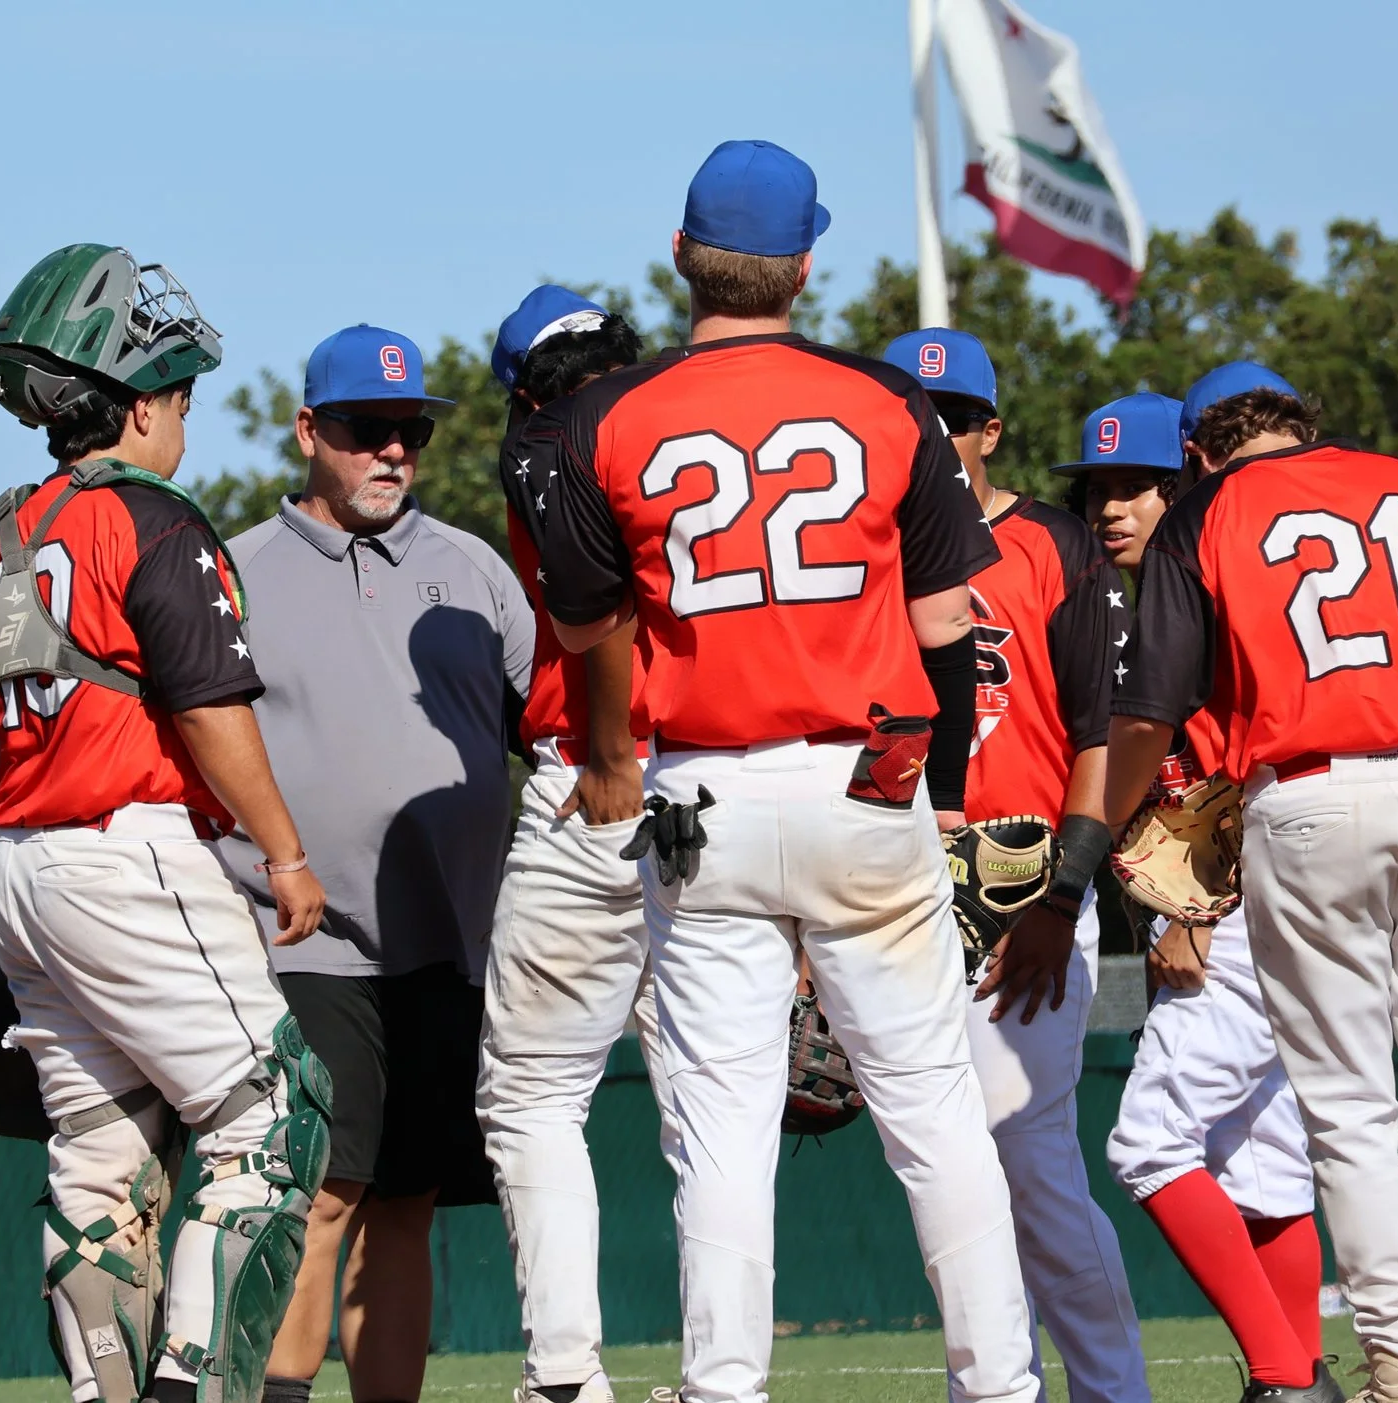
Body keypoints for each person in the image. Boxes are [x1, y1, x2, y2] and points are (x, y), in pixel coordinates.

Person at [538, 139, 1040, 1403]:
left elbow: (591, 635)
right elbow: (947, 636)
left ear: (679, 257)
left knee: (720, 1129)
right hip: (861, 782)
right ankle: (1001, 1386)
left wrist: (610, 753)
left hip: (698, 788)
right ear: (805, 265)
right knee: (934, 1109)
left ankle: (722, 1387)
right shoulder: (885, 403)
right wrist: (947, 799)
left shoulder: (609, 416)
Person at [1104, 361, 1398, 1403]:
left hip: (1308, 799)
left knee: (1353, 1110)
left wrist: (1102, 827)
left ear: (1195, 452)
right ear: (1303, 422)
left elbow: (1150, 711)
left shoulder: (1203, 516)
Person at [0, 244, 330, 1403]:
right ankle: (191, 1388)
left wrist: (12, 931)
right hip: (126, 846)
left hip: (21, 862)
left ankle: (104, 1390)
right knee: (275, 1117)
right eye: (175, 399)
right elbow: (208, 708)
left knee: (102, 1156)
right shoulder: (151, 518)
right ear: (129, 405)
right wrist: (285, 849)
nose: (182, 422)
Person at [218, 324, 535, 1403]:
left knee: (409, 1194)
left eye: (410, 430)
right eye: (366, 429)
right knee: (323, 1189)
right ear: (310, 430)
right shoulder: (240, 572)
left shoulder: (471, 567)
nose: (392, 450)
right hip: (304, 938)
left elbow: (550, 729)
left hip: (451, 944)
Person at [880, 329, 1150, 1403]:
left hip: (1027, 874)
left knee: (1027, 1155)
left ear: (990, 429)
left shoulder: (1050, 543)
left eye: (955, 417)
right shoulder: (862, 546)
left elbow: (1105, 731)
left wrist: (1066, 889)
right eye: (917, 416)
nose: (938, 435)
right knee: (948, 1165)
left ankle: (1112, 1388)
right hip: (898, 880)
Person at [1064, 391, 1329, 1403]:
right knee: (1264, 1165)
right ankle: (1300, 1371)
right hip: (1274, 903)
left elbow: (1238, 780)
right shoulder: (1153, 597)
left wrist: (1188, 913)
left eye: (1138, 485)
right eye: (1098, 488)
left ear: (1190, 487)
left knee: (1147, 1142)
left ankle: (1281, 1375)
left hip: (1244, 903)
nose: (1111, 506)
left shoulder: (1203, 599)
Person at [475, 285, 662, 1403]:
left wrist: (606, 753)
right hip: (742, 775)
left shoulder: (548, 439)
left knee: (534, 1094)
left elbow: (598, 616)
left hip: (605, 780)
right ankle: (727, 1373)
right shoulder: (699, 409)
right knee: (718, 1094)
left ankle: (563, 1375)